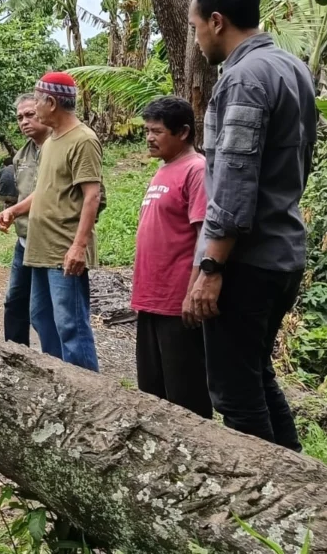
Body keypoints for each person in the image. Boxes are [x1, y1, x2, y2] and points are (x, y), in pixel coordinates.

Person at [185, 0, 316, 451]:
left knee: (237, 395)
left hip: (245, 258)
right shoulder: (292, 67)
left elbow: (235, 183)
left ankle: (266, 506)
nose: (196, 37)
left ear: (217, 21)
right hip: (283, 251)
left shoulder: (243, 78)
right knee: (257, 375)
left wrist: (212, 266)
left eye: (196, 25)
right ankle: (299, 483)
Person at [0, 73, 101, 371]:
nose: (34, 109)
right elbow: (44, 192)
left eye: (37, 101)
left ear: (52, 103)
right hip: (39, 247)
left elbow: (92, 196)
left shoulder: (83, 140)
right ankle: (61, 377)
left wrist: (78, 246)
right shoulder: (52, 140)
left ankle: (87, 389)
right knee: (41, 315)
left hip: (63, 248)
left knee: (71, 323)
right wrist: (14, 211)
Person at [132, 96, 212, 419]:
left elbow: (204, 234)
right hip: (150, 299)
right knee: (152, 390)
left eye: (157, 131)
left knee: (185, 395)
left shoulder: (196, 169)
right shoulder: (164, 169)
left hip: (177, 302)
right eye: (147, 131)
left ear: (183, 132)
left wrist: (194, 291)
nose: (149, 138)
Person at [2, 94, 51, 347]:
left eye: (30, 114)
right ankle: (15, 356)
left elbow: (47, 192)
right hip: (24, 241)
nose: (24, 121)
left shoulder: (60, 149)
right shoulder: (22, 155)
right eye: (20, 117)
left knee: (48, 311)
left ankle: (60, 364)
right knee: (15, 301)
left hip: (52, 242)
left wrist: (14, 211)